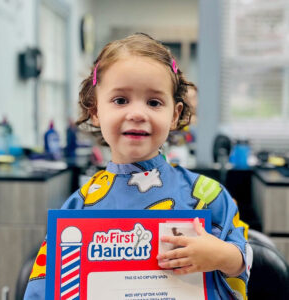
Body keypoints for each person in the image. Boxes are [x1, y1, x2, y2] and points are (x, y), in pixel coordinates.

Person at [24, 33, 252, 300]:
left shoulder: (205, 195)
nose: (137, 114)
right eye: (120, 100)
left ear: (175, 115)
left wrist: (223, 256)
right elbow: (44, 285)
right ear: (96, 111)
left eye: (154, 102)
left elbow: (243, 259)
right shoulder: (79, 207)